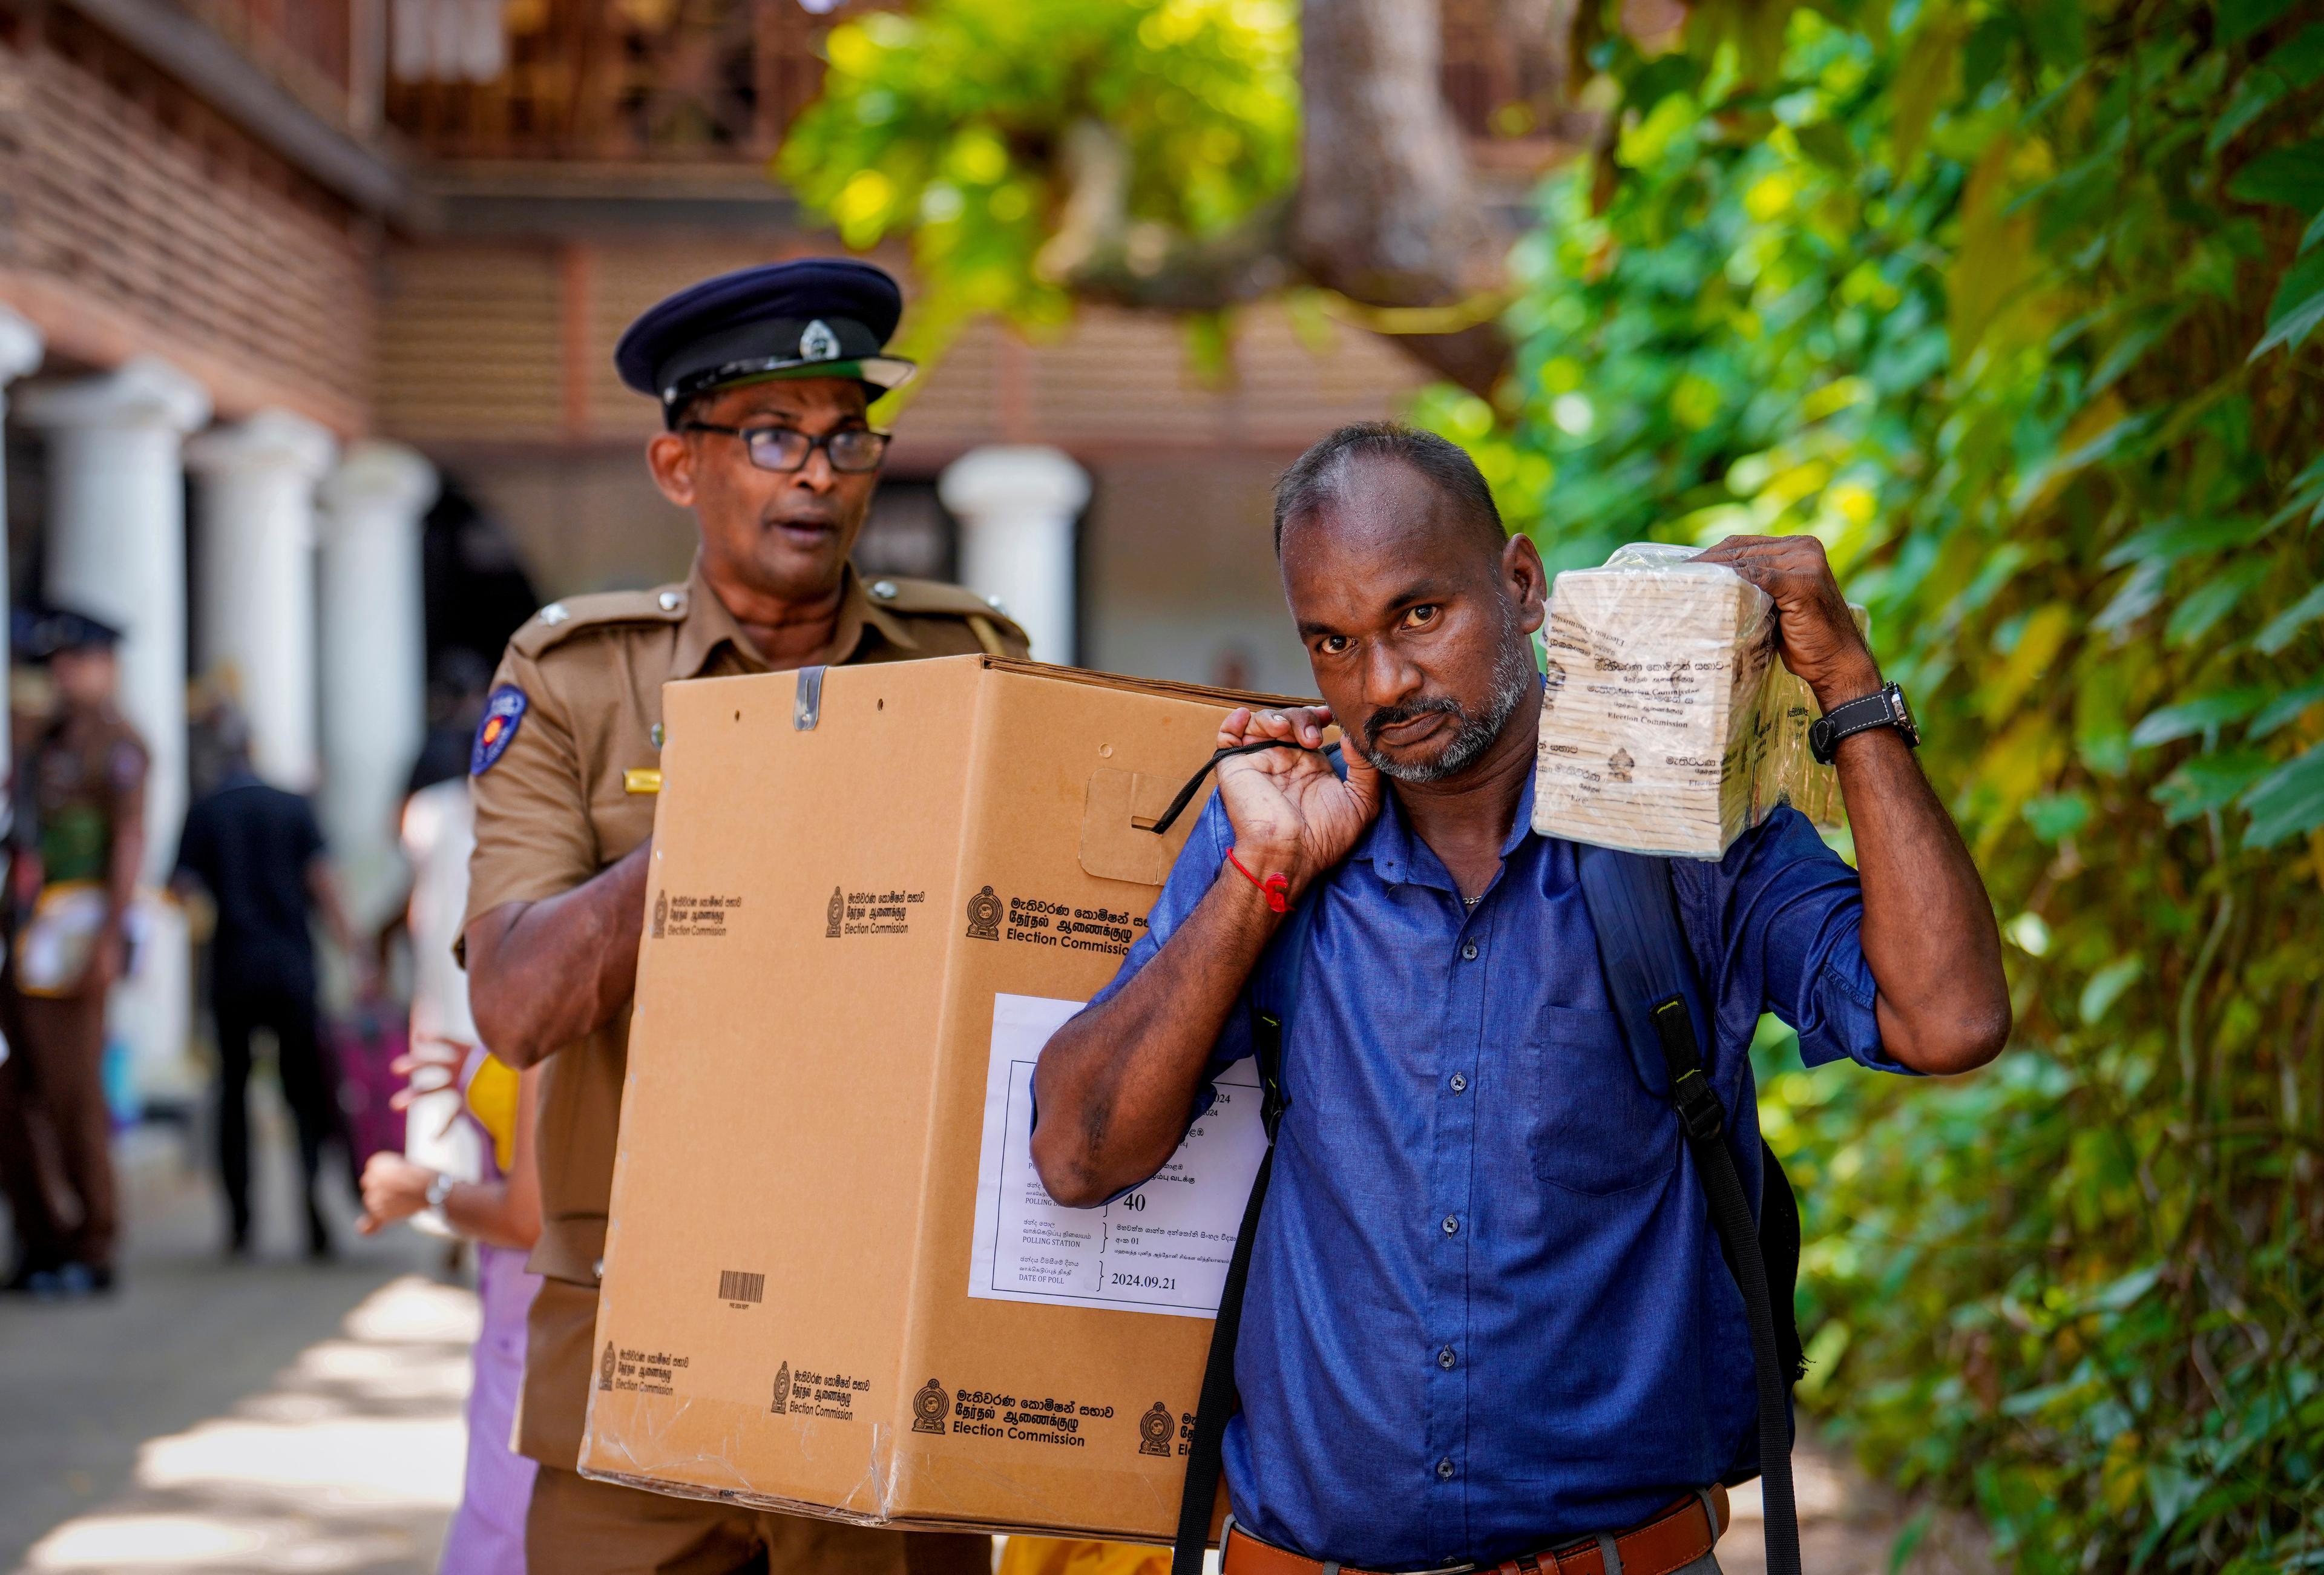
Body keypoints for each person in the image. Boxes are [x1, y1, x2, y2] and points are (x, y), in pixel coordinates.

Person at [1029, 423, 2012, 1574]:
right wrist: (1262, 879)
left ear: (1524, 584)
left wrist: (1848, 687)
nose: (1382, 683)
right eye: (1335, 642)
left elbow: (1947, 1017)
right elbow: (1078, 1153)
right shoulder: (1271, 845)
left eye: (1418, 615)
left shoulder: (1687, 828)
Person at [462, 257, 1028, 1575]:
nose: (820, 474)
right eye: (776, 436)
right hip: (637, 1349)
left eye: (846, 438)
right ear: (679, 466)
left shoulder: (971, 667)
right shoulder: (576, 681)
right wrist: (736, 822)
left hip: (893, 1337)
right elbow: (517, 1004)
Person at [171, 706, 366, 1259]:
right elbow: (324, 884)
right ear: (254, 749)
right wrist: (357, 953)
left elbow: (181, 891)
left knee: (232, 1092)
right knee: (303, 1094)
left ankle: (240, 1224)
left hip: (233, 969)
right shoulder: (292, 806)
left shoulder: (205, 811)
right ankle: (312, 1210)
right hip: (291, 968)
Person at [0, 607, 148, 1295]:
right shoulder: (37, 738)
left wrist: (111, 939)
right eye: (56, 662)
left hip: (73, 937)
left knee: (72, 1096)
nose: (64, 672)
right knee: (11, 1096)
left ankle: (93, 1240)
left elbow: (126, 843)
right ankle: (41, 1239)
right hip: (22, 935)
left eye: (78, 660)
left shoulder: (119, 744)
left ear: (107, 666)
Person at [359, 1040, 542, 1575]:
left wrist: (423, 1190)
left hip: (537, 1322)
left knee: (499, 1545)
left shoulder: (555, 984)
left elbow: (529, 1216)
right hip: (522, 1316)